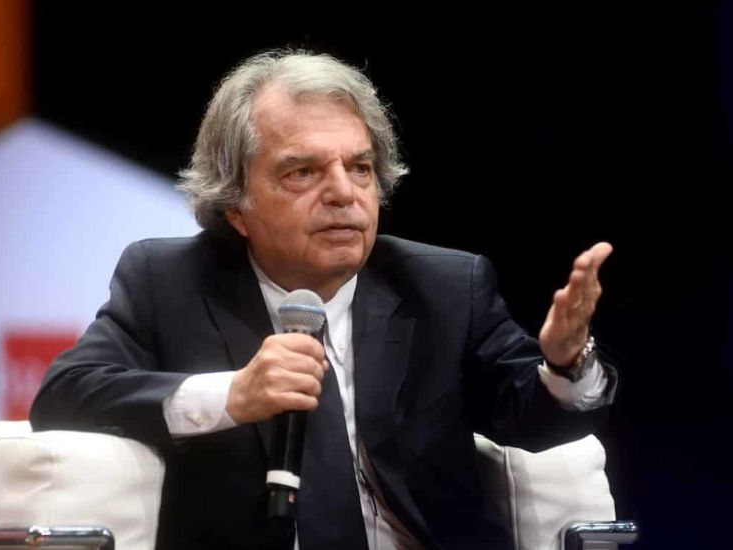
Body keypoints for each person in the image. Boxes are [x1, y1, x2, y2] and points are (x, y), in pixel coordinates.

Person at [30, 50, 617, 549]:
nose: (343, 193)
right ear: (235, 205)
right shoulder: (169, 282)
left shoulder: (443, 286)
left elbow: (535, 418)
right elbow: (65, 395)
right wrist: (232, 395)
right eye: (302, 173)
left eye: (360, 168)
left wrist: (567, 363)